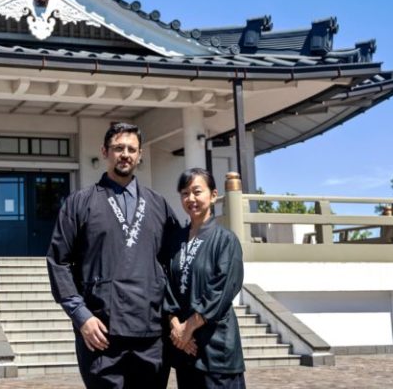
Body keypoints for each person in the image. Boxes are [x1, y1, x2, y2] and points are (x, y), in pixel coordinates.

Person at [46, 122, 184, 389]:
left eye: (132, 149)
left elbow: (175, 261)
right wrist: (81, 315)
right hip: (101, 332)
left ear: (140, 155)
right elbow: (58, 261)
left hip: (151, 332)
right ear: (105, 152)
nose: (125, 154)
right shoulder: (80, 203)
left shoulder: (158, 205)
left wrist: (177, 316)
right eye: (118, 148)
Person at [165, 168, 246, 389]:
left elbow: (220, 292)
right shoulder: (175, 240)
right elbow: (167, 286)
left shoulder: (226, 241)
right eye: (184, 193)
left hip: (216, 349)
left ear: (213, 195)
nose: (190, 198)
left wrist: (187, 329)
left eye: (197, 191)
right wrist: (176, 328)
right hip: (186, 349)